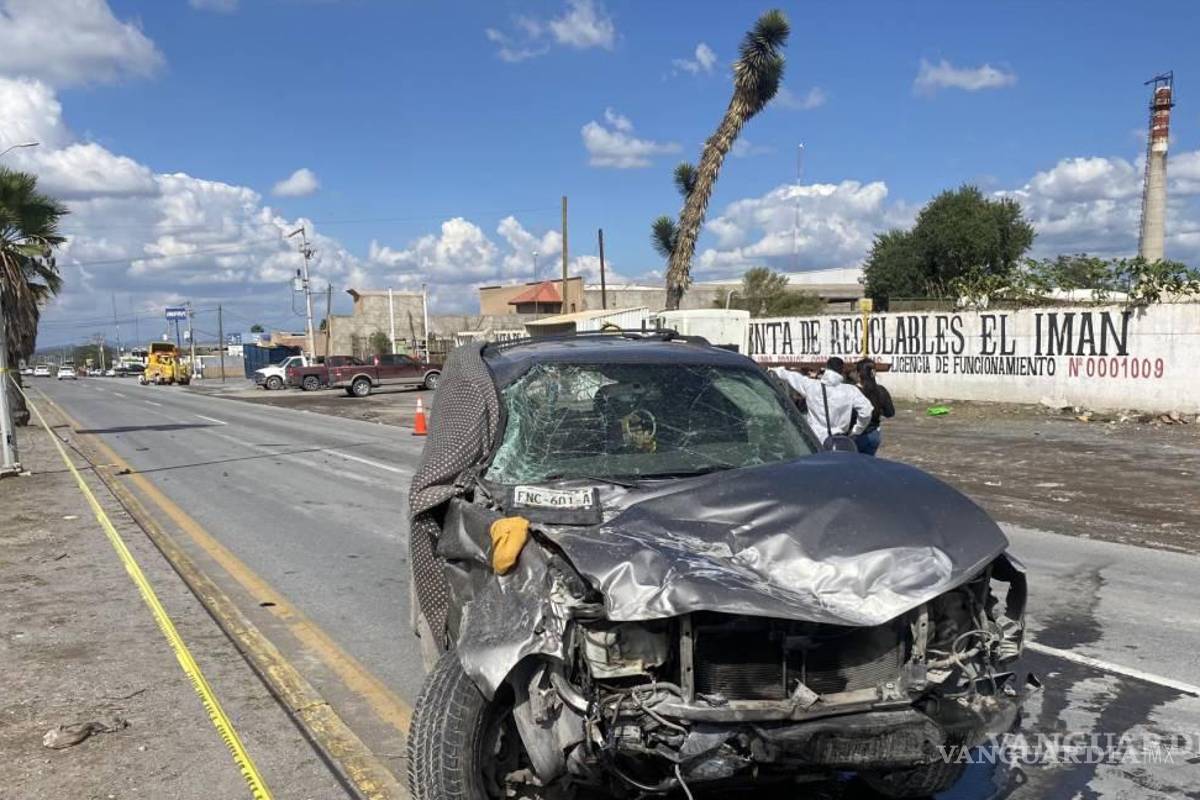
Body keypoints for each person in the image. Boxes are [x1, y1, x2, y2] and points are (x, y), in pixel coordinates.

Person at [769, 357, 874, 449]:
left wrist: (776, 370)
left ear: (826, 368)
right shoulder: (850, 390)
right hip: (840, 440)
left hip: (815, 441)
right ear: (842, 371)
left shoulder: (812, 386)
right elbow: (867, 410)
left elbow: (792, 377)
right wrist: (856, 431)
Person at [852, 358, 894, 456]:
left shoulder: (853, 391)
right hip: (874, 434)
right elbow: (890, 413)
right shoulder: (881, 390)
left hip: (856, 435)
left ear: (859, 374)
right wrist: (878, 410)